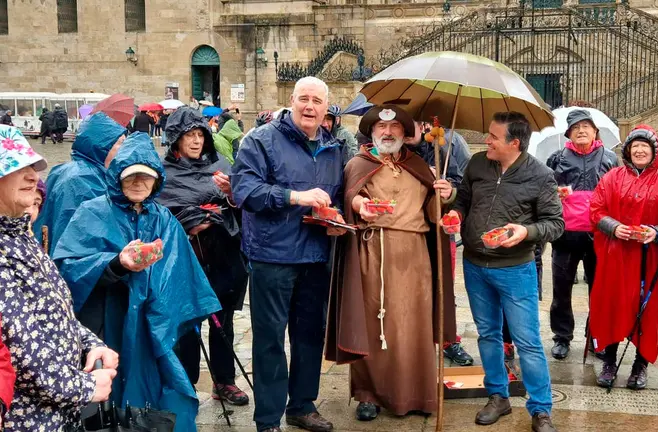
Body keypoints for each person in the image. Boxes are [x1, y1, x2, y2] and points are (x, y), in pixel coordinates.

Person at [53, 133, 221, 431]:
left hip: (154, 325)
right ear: (118, 177)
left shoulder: (164, 218)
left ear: (157, 181)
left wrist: (168, 306)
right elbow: (67, 267)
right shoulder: (93, 212)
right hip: (109, 321)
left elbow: (182, 271)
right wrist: (117, 263)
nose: (139, 183)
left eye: (146, 177)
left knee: (159, 388)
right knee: (113, 391)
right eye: (132, 177)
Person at [325, 105, 456, 421]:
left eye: (395, 127)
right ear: (371, 133)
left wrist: (445, 194)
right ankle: (368, 395)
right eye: (381, 129)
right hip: (374, 254)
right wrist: (360, 204)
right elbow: (349, 198)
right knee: (372, 324)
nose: (387, 133)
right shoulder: (358, 164)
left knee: (415, 327)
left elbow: (434, 216)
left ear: (404, 133)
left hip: (415, 258)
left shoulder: (420, 166)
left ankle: (418, 394)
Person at [231, 76, 345, 432]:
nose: (310, 107)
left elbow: (335, 195)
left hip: (315, 255)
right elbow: (244, 191)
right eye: (304, 99)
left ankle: (302, 405)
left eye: (317, 101)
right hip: (273, 256)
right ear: (291, 101)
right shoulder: (261, 140)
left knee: (310, 335)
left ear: (327, 108)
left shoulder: (333, 147)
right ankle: (267, 419)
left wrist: (337, 217)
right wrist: (295, 196)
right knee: (269, 339)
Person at [443, 112, 563, 432]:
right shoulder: (478, 163)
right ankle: (498, 395)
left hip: (515, 269)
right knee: (488, 335)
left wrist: (526, 232)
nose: (487, 141)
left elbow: (555, 224)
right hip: (475, 265)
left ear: (514, 143)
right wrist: (454, 212)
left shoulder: (541, 175)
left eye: (494, 137)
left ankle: (540, 409)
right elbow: (464, 201)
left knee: (528, 342)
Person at [0, 125, 119, 430]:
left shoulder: (19, 235)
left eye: (32, 168)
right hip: (28, 419)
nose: (32, 177)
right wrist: (85, 387)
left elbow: (54, 313)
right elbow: (22, 352)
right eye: (17, 168)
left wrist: (89, 344)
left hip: (57, 413)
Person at [157, 107, 250, 406]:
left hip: (223, 254)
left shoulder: (220, 163)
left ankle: (224, 381)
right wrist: (189, 222)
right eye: (189, 135)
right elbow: (161, 213)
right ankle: (185, 385)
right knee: (187, 325)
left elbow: (239, 203)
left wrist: (231, 198)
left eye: (200, 135)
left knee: (223, 319)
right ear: (176, 139)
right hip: (187, 258)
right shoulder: (164, 173)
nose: (196, 141)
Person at [589, 125, 658, 390]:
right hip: (617, 256)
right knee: (614, 305)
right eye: (635, 146)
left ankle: (640, 364)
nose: (640, 150)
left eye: (645, 146)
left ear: (655, 151)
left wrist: (656, 231)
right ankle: (609, 360)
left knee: (649, 310)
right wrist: (614, 227)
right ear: (628, 150)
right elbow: (596, 210)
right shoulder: (612, 177)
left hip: (652, 258)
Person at [546, 109, 618, 360]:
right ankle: (562, 337)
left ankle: (596, 337)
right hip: (565, 235)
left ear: (596, 131)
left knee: (598, 291)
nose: (582, 130)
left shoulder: (610, 158)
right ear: (568, 132)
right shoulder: (556, 159)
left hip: (600, 235)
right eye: (576, 127)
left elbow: (618, 193)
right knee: (561, 290)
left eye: (587, 126)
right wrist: (555, 193)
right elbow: (545, 192)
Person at [403, 120, 474, 366]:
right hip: (404, 231)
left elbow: (459, 186)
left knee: (443, 287)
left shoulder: (440, 150)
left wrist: (447, 187)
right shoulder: (391, 151)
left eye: (413, 122)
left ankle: (448, 340)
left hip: (438, 231)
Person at [33, 112, 127, 251]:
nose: (125, 150)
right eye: (121, 143)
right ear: (102, 146)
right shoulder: (83, 181)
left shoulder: (67, 169)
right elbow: (70, 235)